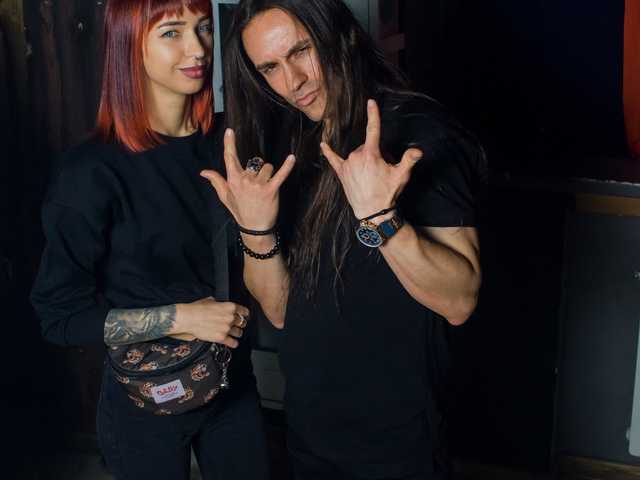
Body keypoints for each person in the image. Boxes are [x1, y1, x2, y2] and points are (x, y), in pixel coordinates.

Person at [200, 0, 485, 479]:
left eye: (301, 51)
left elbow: (459, 300)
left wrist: (382, 219)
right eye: (270, 68)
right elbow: (280, 311)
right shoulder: (295, 144)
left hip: (399, 442)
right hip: (310, 431)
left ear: (337, 35)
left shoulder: (418, 131)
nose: (293, 81)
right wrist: (256, 229)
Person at [30, 1, 269, 478]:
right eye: (171, 32)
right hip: (143, 401)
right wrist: (181, 318)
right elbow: (59, 318)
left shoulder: (230, 143)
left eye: (203, 28)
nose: (197, 48)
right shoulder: (89, 172)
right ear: (129, 47)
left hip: (233, 387)